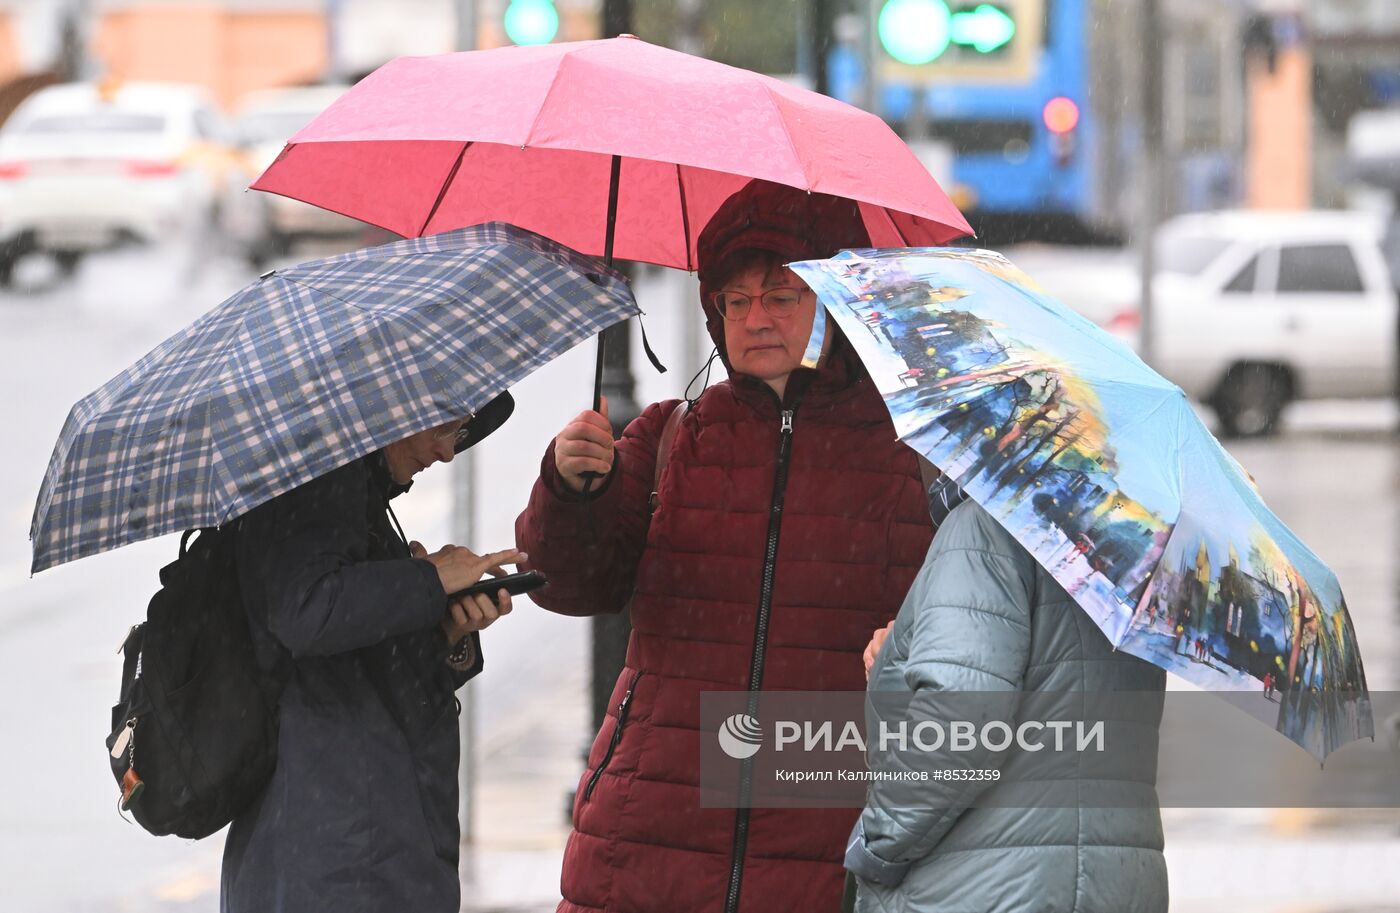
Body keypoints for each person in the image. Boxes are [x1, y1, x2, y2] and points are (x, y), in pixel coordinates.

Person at [515, 180, 937, 913]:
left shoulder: (911, 454)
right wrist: (572, 491)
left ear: (835, 300)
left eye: (781, 296)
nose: (755, 319)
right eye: (734, 302)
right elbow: (573, 583)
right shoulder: (672, 436)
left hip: (829, 834)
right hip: (648, 840)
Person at [221, 392, 523, 913]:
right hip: (344, 849)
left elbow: (349, 660)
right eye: (444, 427)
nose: (449, 452)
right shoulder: (322, 474)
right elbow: (307, 614)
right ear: (392, 406)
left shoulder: (350, 487)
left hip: (360, 835)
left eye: (459, 429)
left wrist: (443, 633)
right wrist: (428, 579)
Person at [847, 472, 1168, 913]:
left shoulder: (981, 528)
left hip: (984, 884)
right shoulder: (1133, 545)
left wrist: (878, 843)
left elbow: (959, 721)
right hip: (1117, 880)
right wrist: (900, 652)